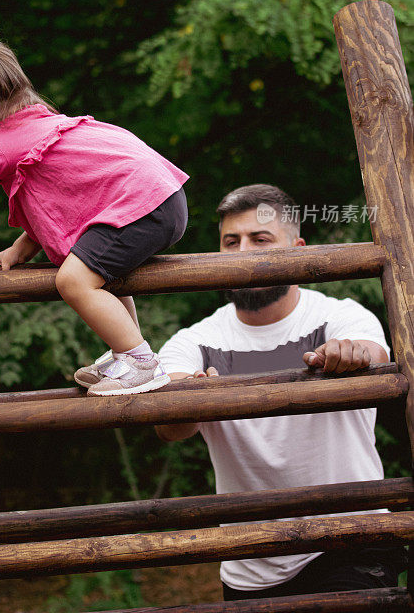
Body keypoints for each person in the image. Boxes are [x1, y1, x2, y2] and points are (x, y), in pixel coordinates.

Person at [0, 12, 189, 397]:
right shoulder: (42, 122)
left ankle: (140, 361)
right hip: (162, 197)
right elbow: (61, 199)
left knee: (73, 279)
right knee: (97, 269)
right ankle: (125, 353)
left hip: (142, 205)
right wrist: (18, 249)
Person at [155, 184, 404, 600]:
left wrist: (351, 353)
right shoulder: (193, 342)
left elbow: (371, 350)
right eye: (230, 242)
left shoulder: (339, 316)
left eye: (260, 239)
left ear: (299, 250)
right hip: (250, 565)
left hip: (349, 541)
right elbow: (169, 428)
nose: (242, 253)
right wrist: (192, 398)